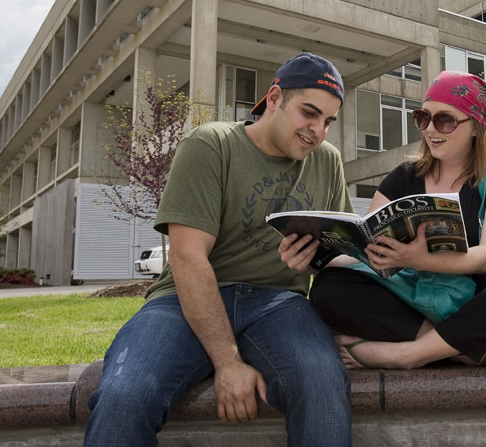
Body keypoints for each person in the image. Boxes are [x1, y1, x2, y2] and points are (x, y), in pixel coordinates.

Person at [85, 52, 354, 447]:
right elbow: (187, 256)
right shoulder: (211, 144)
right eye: (309, 114)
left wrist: (320, 258)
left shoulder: (327, 161)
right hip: (182, 300)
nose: (318, 131)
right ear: (275, 98)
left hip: (279, 303)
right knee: (125, 394)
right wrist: (227, 363)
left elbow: (336, 248)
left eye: (328, 121)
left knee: (322, 385)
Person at [288, 71, 486, 370]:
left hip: (475, 302)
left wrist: (420, 259)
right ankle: (463, 349)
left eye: (445, 119)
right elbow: (367, 243)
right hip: (412, 301)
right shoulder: (403, 177)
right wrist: (320, 254)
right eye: (423, 118)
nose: (431, 129)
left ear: (475, 127)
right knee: (329, 288)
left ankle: (408, 354)